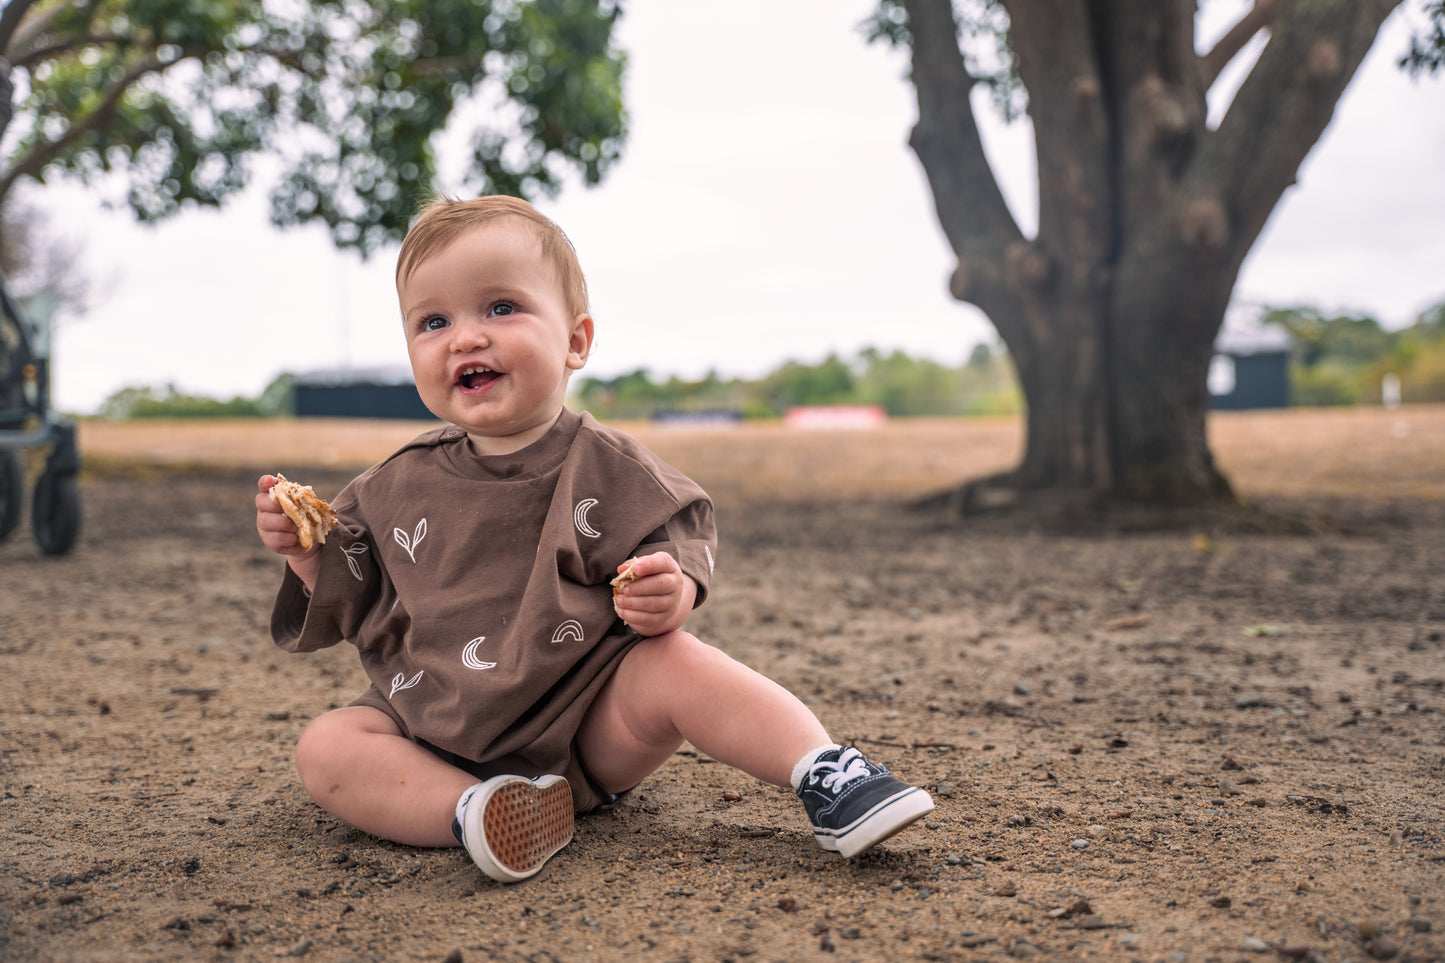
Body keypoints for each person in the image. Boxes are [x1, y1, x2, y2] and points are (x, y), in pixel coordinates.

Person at [254, 194, 933, 883]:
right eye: (433, 321)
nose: (464, 337)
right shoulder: (389, 485)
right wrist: (308, 553)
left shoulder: (611, 468)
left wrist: (672, 590)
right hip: (428, 721)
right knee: (329, 746)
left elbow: (678, 536)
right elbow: (353, 592)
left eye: (499, 308)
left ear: (575, 340)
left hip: (580, 726)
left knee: (673, 662)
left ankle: (824, 771)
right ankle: (474, 810)